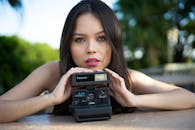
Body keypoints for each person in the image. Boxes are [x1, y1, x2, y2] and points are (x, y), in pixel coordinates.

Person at [0, 0, 195, 123]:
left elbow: (188, 98)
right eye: (79, 39)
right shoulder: (53, 72)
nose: (91, 48)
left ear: (114, 42)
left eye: (101, 38)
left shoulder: (125, 78)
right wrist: (50, 98)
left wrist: (133, 99)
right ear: (68, 44)